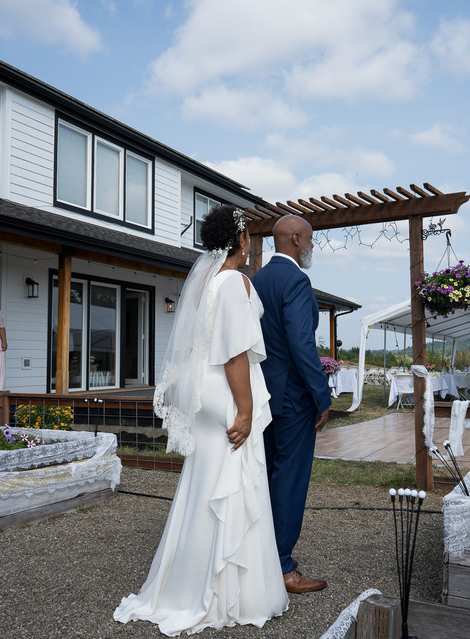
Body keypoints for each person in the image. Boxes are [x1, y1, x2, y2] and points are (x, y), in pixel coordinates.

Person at [114, 206, 287, 635]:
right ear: (241, 241)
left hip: (205, 392)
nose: (250, 246)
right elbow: (233, 353)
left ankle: (187, 582)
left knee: (205, 483)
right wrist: (246, 411)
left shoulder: (205, 284)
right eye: (249, 238)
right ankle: (225, 593)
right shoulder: (236, 283)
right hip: (228, 392)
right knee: (235, 480)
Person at [251, 214, 332, 593]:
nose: (312, 246)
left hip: (260, 394)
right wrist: (322, 395)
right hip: (293, 398)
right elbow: (303, 345)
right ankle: (282, 568)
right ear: (296, 238)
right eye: (310, 239)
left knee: (265, 475)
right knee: (290, 479)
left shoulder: (256, 280)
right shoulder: (296, 281)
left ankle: (260, 555)